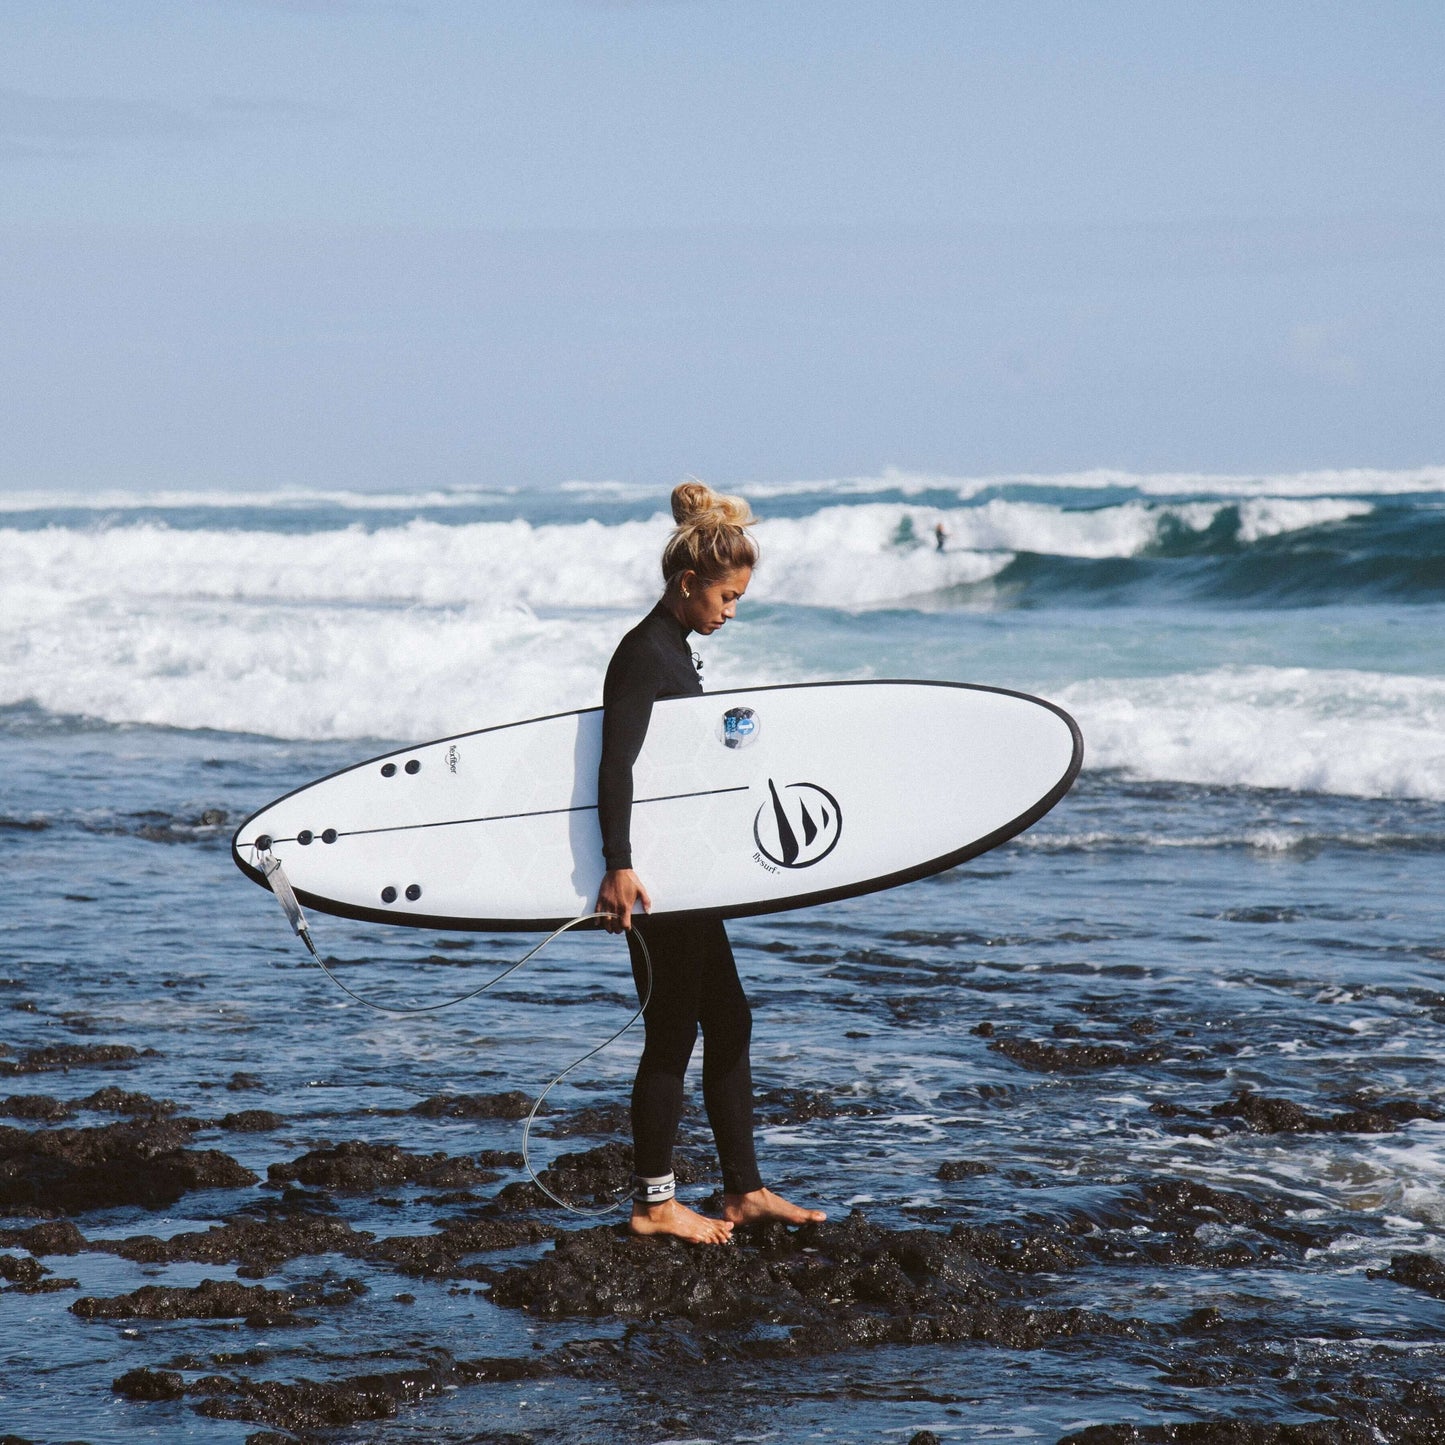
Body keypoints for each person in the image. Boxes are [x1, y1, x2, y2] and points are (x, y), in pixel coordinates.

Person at [594, 481, 828, 1245]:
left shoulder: (674, 650)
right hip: (656, 879)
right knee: (671, 1033)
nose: (730, 611)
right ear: (688, 583)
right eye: (725, 597)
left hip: (687, 874)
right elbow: (616, 765)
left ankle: (743, 1189)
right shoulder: (643, 654)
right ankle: (655, 1202)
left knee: (728, 1017)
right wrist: (618, 864)